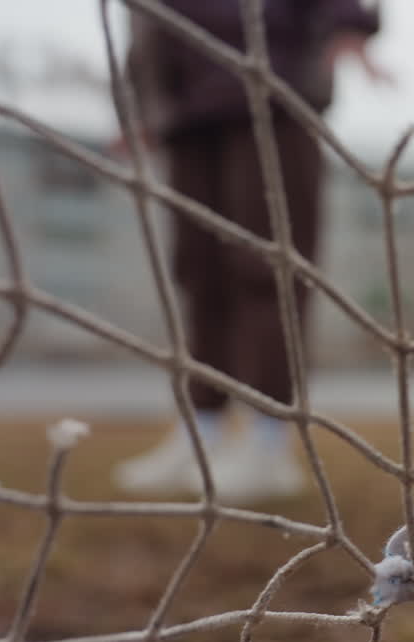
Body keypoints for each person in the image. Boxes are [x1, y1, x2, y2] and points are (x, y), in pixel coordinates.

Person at [114, 0, 386, 502]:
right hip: (184, 112)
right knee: (199, 276)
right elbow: (145, 25)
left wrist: (350, 22)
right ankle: (203, 433)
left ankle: (268, 441)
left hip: (271, 94)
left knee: (268, 273)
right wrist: (140, 106)